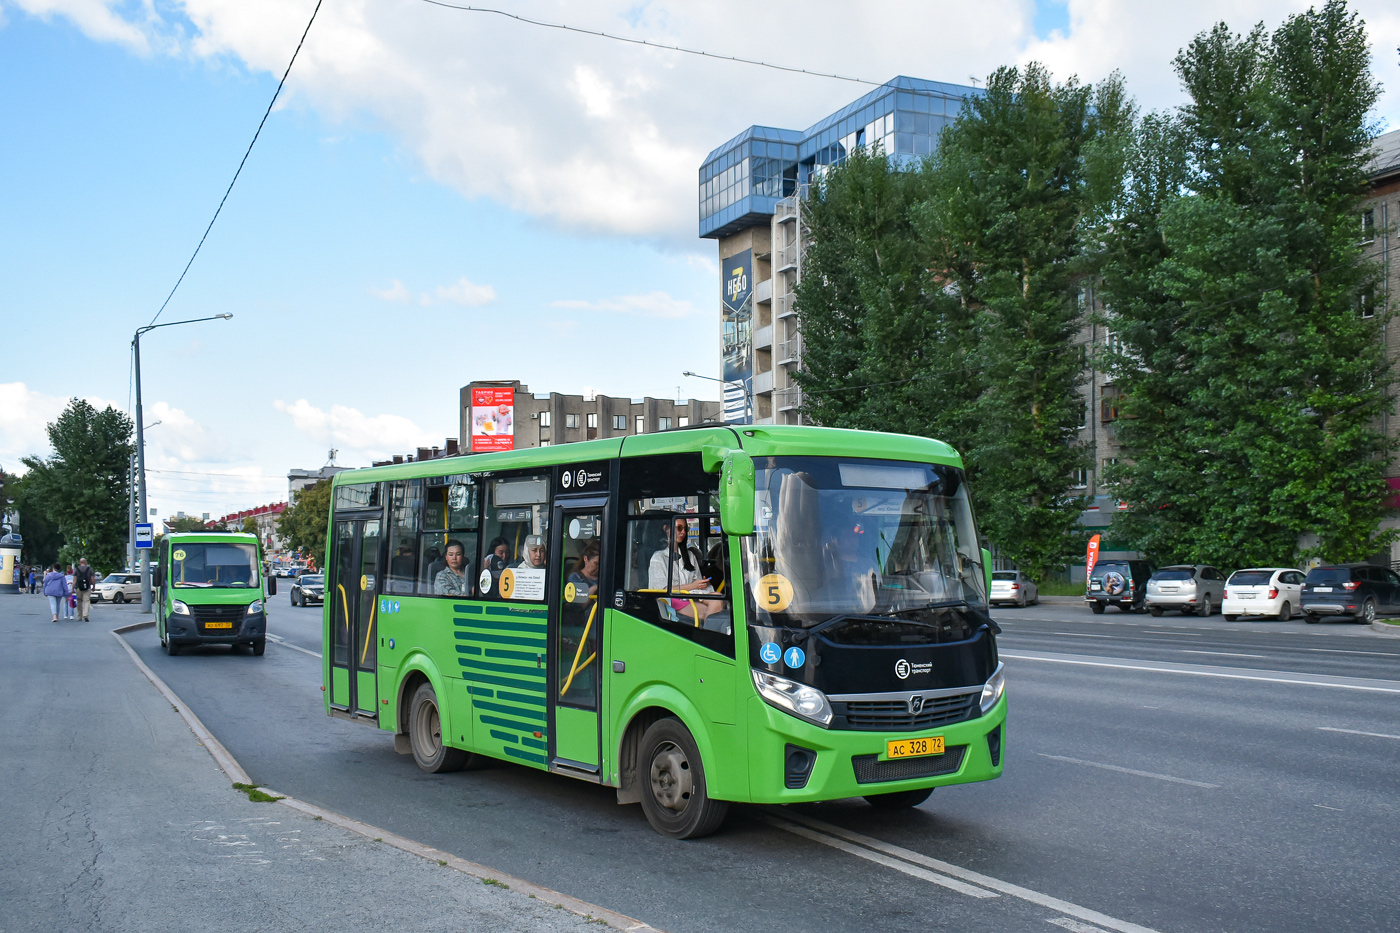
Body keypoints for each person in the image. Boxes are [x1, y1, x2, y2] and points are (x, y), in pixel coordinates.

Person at [649, 517, 722, 623]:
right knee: (716, 607)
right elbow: (663, 589)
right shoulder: (658, 557)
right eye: (679, 528)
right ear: (666, 529)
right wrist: (694, 586)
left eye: (685, 529)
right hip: (671, 599)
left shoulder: (690, 555)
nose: (683, 532)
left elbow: (697, 580)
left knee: (718, 598)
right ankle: (708, 636)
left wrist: (702, 584)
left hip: (691, 595)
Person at [567, 539, 600, 603]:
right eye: (596, 564)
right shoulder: (575, 577)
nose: (598, 568)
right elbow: (579, 606)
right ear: (586, 559)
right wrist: (594, 589)